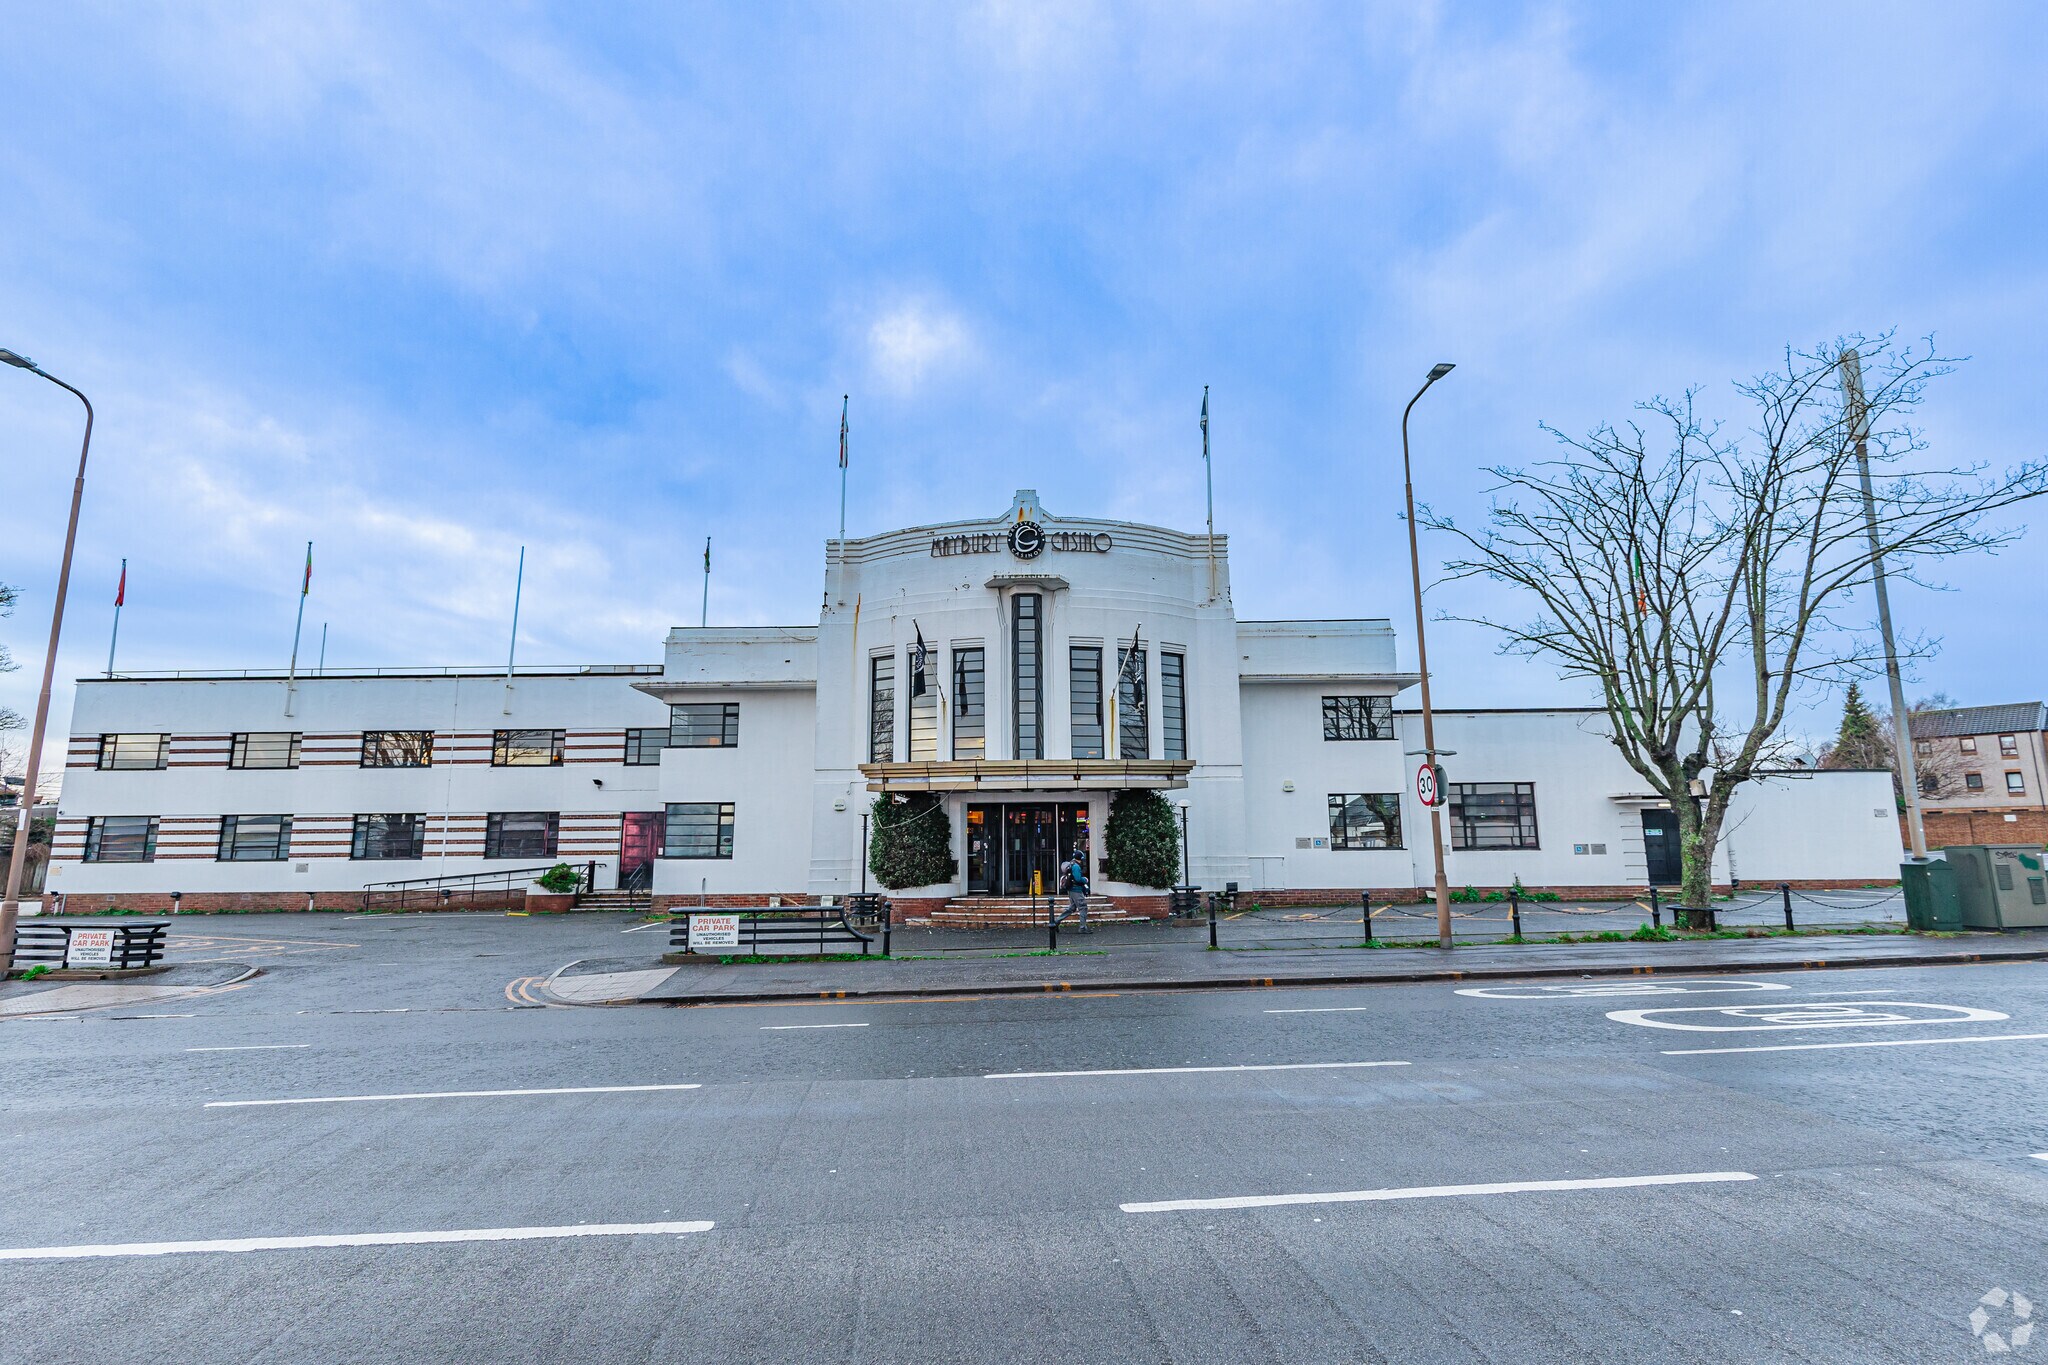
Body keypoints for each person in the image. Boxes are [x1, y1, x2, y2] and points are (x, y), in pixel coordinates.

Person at [1060, 847, 1091, 932]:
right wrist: (1085, 879)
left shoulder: (1071, 863)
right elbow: (1078, 879)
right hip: (1076, 890)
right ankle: (1082, 928)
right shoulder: (1076, 866)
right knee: (1083, 907)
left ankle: (1056, 921)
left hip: (1071, 889)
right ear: (1080, 858)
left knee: (1072, 908)